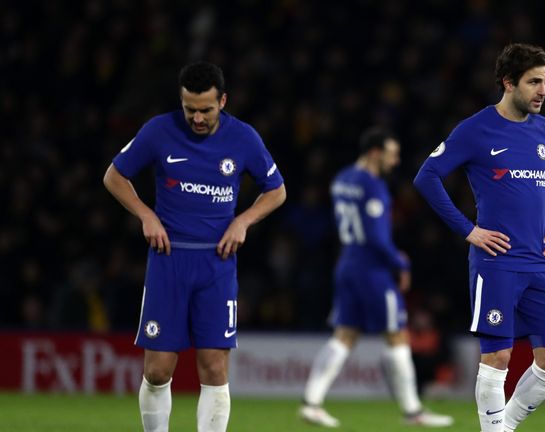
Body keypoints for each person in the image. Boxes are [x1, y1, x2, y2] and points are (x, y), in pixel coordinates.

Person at [103, 61, 286, 432]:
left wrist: (242, 221)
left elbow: (277, 191)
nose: (197, 118)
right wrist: (146, 215)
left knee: (215, 367)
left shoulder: (244, 138)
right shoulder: (158, 131)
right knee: (157, 371)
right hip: (168, 262)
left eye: (205, 109)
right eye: (190, 109)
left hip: (216, 264)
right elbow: (114, 176)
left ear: (223, 101)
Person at [413, 43, 545, 432]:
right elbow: (426, 177)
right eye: (534, 82)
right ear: (508, 82)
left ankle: (505, 428)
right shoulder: (476, 129)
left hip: (538, 261)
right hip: (496, 261)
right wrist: (469, 230)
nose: (542, 91)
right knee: (497, 357)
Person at [299, 128, 453, 428]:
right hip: (372, 271)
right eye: (391, 155)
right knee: (397, 335)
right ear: (374, 153)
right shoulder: (374, 187)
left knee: (344, 335)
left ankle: (311, 402)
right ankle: (413, 412)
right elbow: (377, 238)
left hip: (346, 264)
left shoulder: (342, 180)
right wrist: (400, 262)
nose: (394, 162)